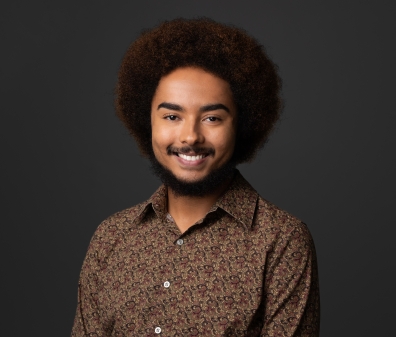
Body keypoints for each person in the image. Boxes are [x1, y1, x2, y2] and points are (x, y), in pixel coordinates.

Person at [71, 18, 320, 336]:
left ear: (242, 125)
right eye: (172, 116)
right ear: (147, 121)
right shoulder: (110, 239)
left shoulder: (281, 242)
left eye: (212, 117)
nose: (190, 136)